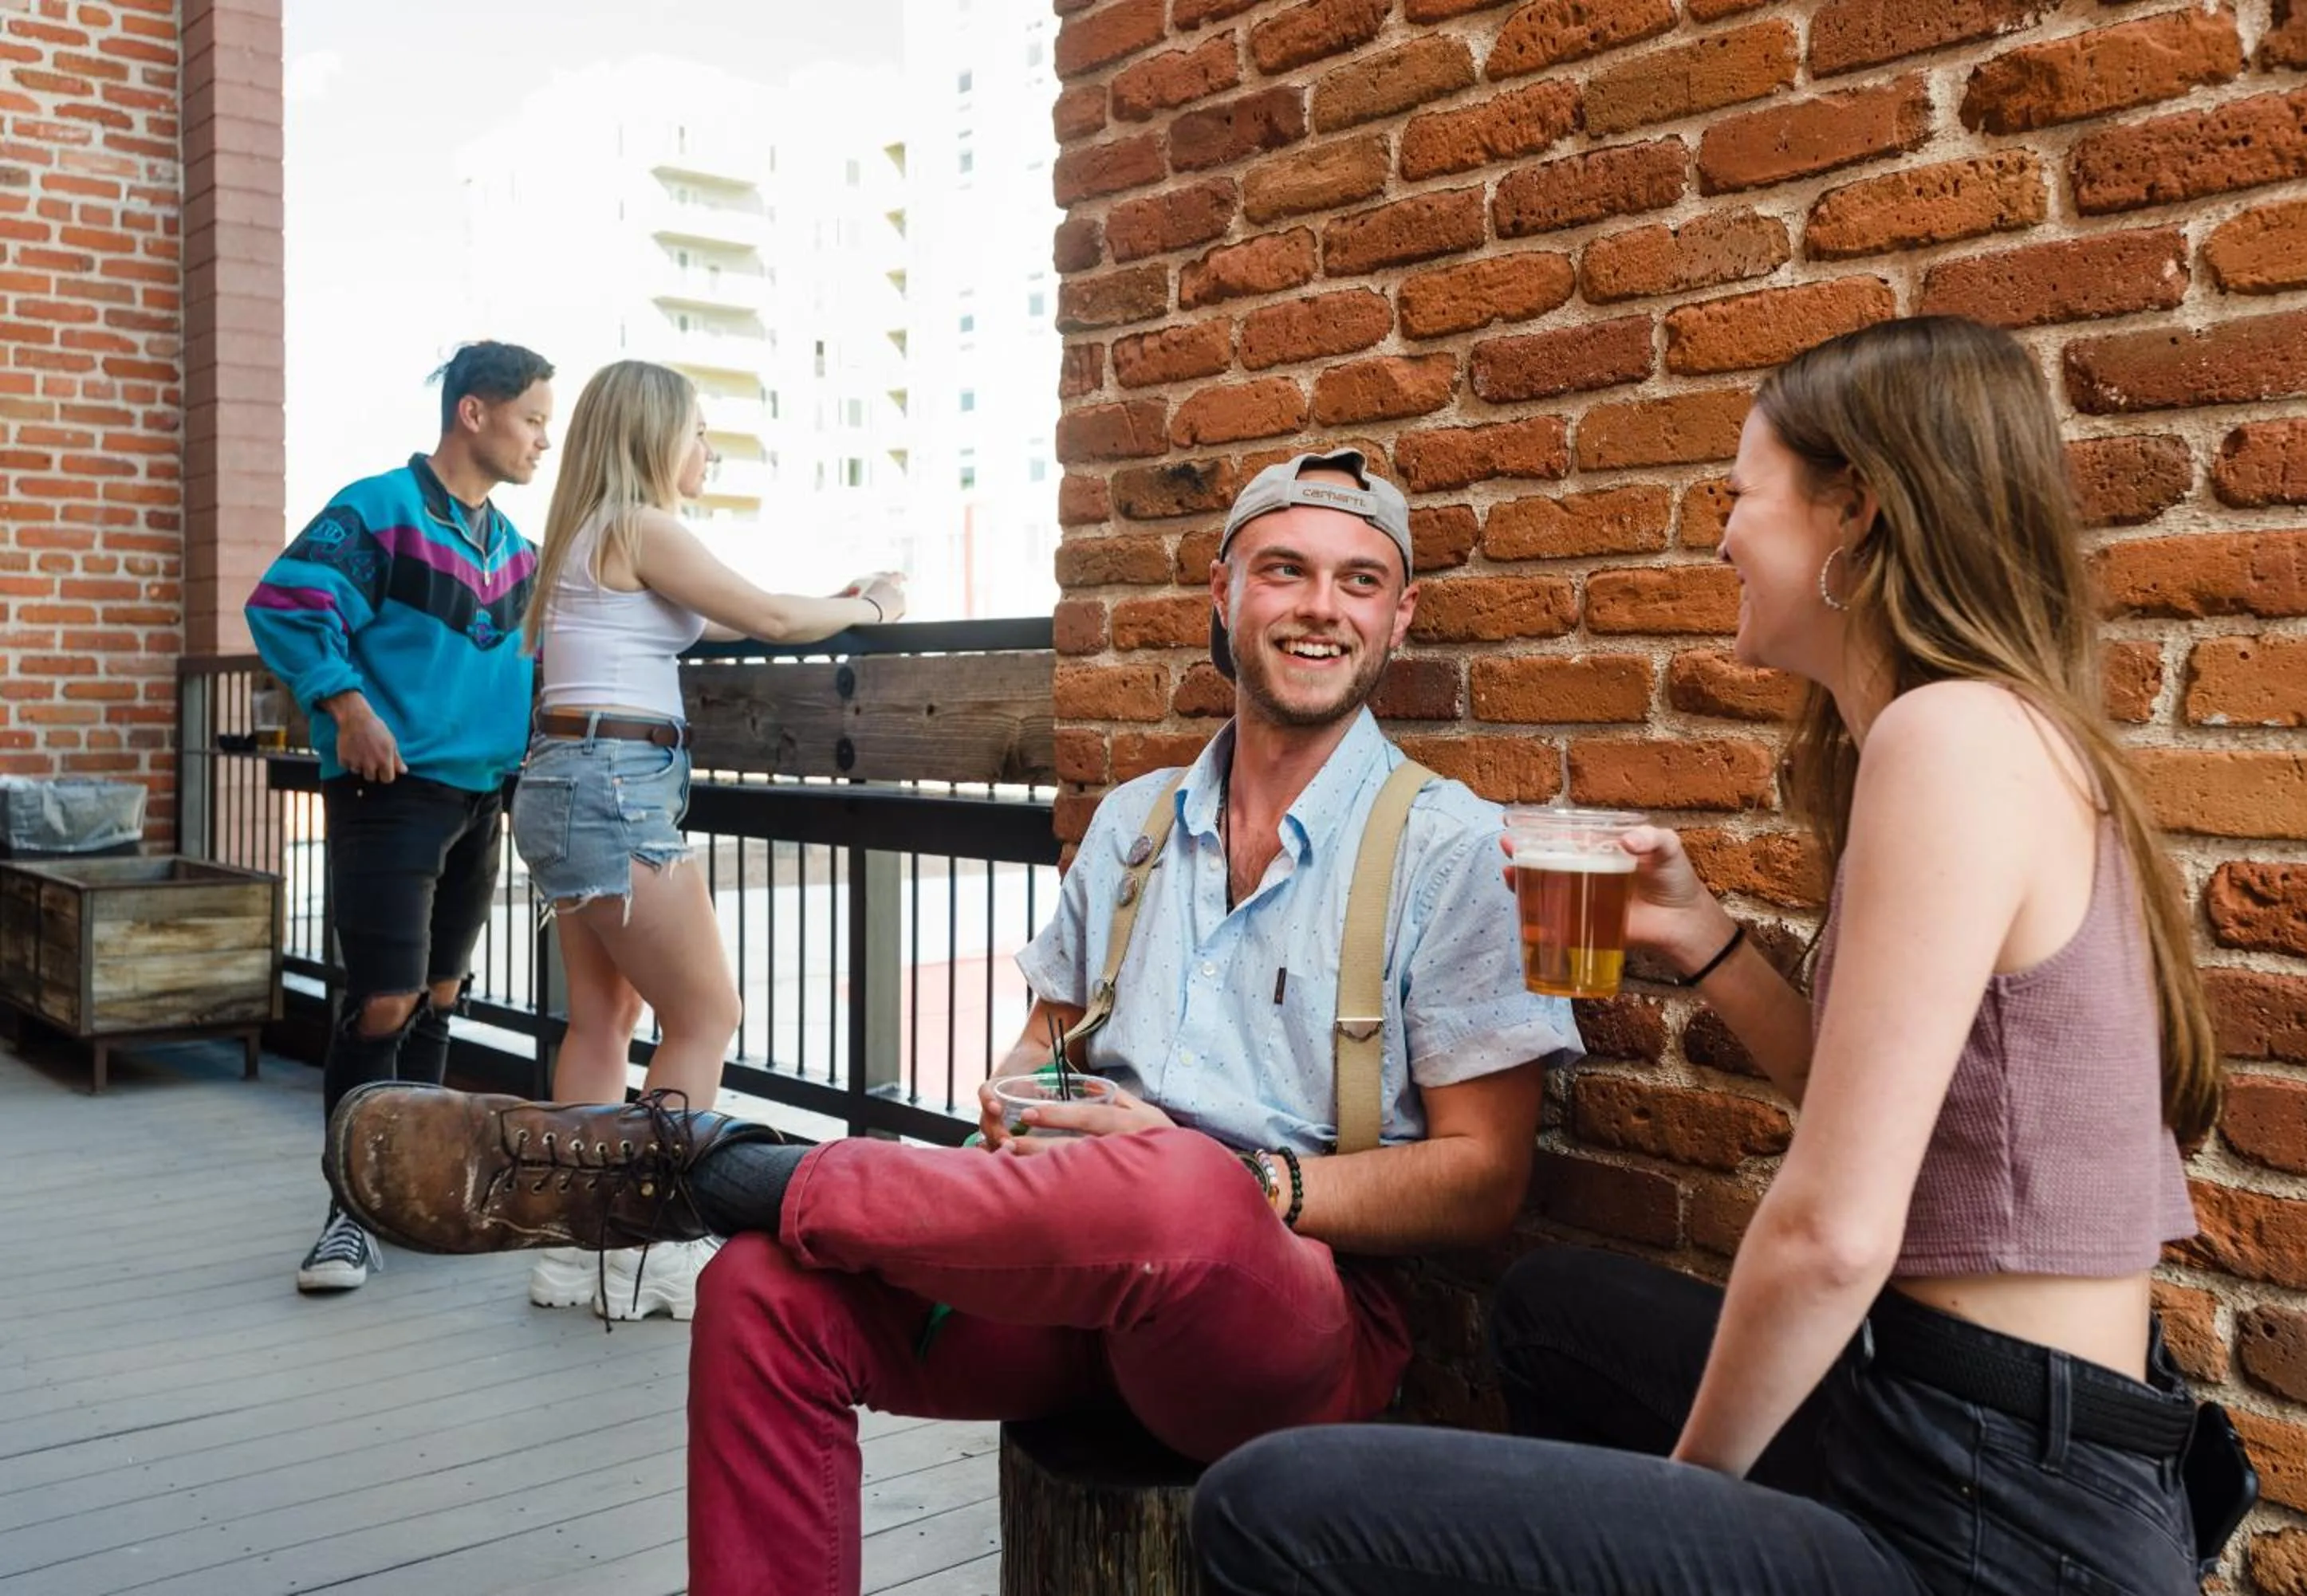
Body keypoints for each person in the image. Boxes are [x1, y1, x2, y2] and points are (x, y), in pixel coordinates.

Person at [319, 448, 1583, 1596]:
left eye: (1360, 581)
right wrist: (1025, 1107)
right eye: (1287, 571)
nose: (1322, 606)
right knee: (761, 1291)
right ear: (1224, 591)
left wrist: (1251, 1179)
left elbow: (1486, 1180)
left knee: (1187, 1183)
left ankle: (714, 1167)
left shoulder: (1452, 849)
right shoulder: (1139, 822)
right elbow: (1039, 1047)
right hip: (1073, 1294)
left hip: (1287, 1319)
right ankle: (745, 1190)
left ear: (1398, 616)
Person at [1191, 316, 2243, 1595]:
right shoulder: (1978, 732)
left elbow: (1833, 1232)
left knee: (1263, 1503)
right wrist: (1701, 940)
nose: (1725, 535)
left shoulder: (1951, 738)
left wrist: (1674, 1498)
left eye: (1743, 495)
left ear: (1851, 511)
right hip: (1940, 1407)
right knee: (1554, 1309)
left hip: (1998, 1509)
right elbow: (1902, 1118)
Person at [510, 358, 907, 1322]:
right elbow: (769, 616)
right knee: (706, 1015)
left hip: (563, 778)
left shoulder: (577, 534)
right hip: (614, 786)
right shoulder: (641, 527)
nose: (707, 451)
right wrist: (871, 606)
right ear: (651, 437)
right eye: (695, 432)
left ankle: (576, 1250)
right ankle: (647, 1246)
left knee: (602, 1021)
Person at [246, 340, 554, 1295]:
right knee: (381, 1002)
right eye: (534, 419)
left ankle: (413, 1186)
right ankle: (349, 1212)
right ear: (474, 412)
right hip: (390, 791)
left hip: (480, 797)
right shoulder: (380, 508)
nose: (544, 440)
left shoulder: (516, 551)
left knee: (442, 997)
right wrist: (347, 705)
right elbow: (288, 604)